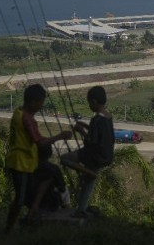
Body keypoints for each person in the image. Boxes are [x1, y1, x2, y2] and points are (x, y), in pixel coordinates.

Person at [4, 84, 72, 233]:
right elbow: (40, 142)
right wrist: (60, 136)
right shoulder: (27, 120)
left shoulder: (18, 113)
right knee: (20, 199)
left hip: (27, 161)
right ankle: (8, 228)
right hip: (21, 163)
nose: (41, 106)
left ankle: (33, 209)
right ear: (33, 102)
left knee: (50, 174)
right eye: (40, 102)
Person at [61, 86, 114, 218]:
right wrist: (85, 125)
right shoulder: (107, 117)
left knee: (64, 158)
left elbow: (91, 141)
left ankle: (88, 172)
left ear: (94, 102)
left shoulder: (96, 119)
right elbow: (99, 133)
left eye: (89, 102)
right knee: (87, 184)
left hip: (93, 155)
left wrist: (81, 131)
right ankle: (81, 209)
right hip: (105, 156)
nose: (89, 105)